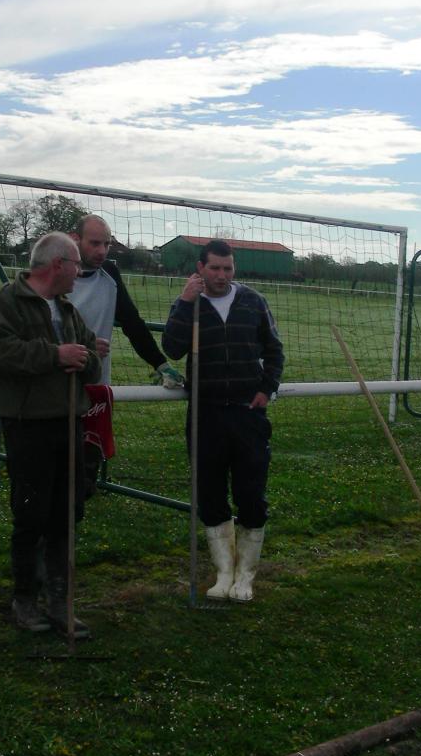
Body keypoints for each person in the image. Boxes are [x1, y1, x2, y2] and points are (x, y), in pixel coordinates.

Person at [0, 231, 102, 635]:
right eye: (77, 265)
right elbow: (0, 355)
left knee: (66, 515)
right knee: (31, 514)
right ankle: (25, 601)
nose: (80, 273)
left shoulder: (68, 311)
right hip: (28, 426)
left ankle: (60, 602)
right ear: (57, 266)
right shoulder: (5, 303)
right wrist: (55, 356)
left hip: (70, 424)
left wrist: (82, 358)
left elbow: (91, 365)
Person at [162, 239, 284, 602]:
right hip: (206, 412)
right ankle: (223, 573)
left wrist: (267, 388)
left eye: (227, 268)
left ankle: (245, 577)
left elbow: (274, 350)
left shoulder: (253, 301)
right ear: (200, 267)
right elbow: (172, 347)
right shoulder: (190, 303)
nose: (221, 275)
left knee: (250, 494)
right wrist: (185, 302)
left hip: (248, 414)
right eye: (214, 268)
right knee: (211, 494)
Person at [67, 214, 185, 496]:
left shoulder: (110, 275)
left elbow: (132, 322)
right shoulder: (56, 272)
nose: (101, 251)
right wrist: (83, 345)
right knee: (57, 472)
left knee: (85, 476)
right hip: (54, 385)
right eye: (94, 243)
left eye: (106, 244)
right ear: (75, 240)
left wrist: (160, 365)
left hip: (95, 387)